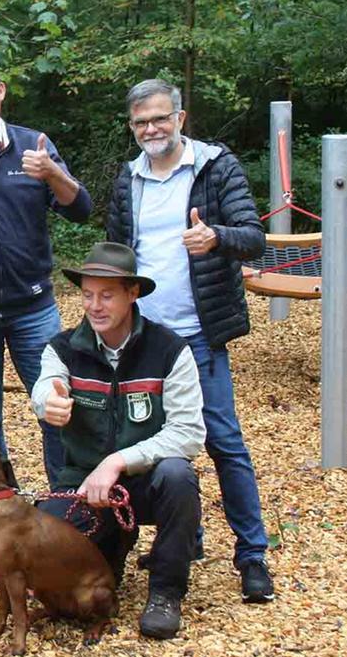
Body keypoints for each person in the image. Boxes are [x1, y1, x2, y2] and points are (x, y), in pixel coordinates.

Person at [106, 78, 275, 604]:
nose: (151, 129)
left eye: (160, 118)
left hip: (198, 334)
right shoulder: (127, 179)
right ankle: (186, 539)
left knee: (222, 440)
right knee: (150, 445)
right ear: (132, 128)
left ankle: (253, 557)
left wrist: (216, 236)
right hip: (141, 338)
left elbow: (254, 239)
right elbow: (115, 252)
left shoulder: (214, 167)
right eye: (141, 123)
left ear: (181, 117)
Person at [31, 241, 206, 640]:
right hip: (82, 486)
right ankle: (111, 554)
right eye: (88, 294)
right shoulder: (62, 349)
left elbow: (189, 433)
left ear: (133, 293)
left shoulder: (170, 351)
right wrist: (49, 402)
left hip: (145, 481)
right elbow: (45, 386)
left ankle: (165, 592)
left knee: (179, 477)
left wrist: (117, 463)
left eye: (107, 295)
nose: (95, 306)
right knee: (48, 558)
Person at [0, 55, 92, 491]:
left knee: (55, 406)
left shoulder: (34, 146)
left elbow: (80, 209)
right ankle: (1, 506)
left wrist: (53, 173)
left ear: (1, 90)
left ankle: (65, 502)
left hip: (34, 308)